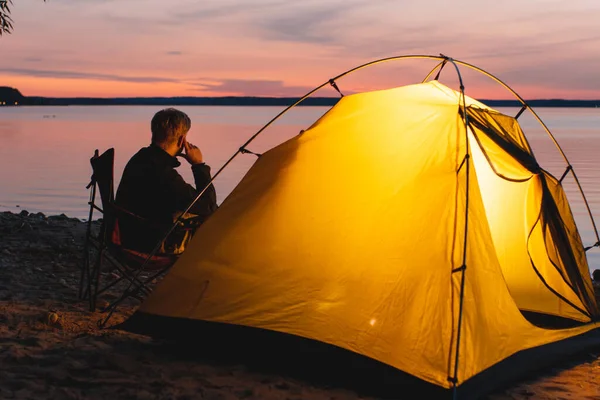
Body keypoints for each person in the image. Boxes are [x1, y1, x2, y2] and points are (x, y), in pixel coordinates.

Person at [114, 108, 218, 255]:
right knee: (214, 216)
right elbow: (208, 205)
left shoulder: (141, 158)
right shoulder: (162, 172)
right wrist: (198, 165)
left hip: (126, 234)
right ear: (183, 139)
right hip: (148, 244)